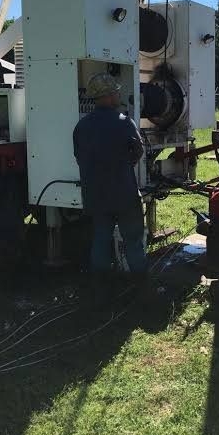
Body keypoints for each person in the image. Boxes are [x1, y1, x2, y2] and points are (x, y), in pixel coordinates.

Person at [73, 73, 146, 286]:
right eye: (115, 91)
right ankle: (141, 288)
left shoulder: (81, 126)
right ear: (108, 95)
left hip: (96, 196)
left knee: (101, 241)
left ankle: (100, 289)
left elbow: (79, 157)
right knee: (133, 242)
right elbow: (138, 151)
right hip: (124, 195)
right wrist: (123, 167)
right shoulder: (124, 123)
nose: (118, 94)